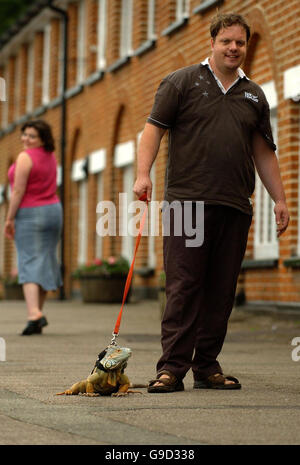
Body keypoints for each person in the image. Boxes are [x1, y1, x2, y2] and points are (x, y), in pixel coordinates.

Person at [133, 13, 289, 392]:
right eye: (227, 41)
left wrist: (280, 199)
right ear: (213, 42)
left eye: (240, 42)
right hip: (186, 203)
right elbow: (152, 130)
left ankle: (206, 366)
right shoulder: (181, 82)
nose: (233, 48)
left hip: (234, 205)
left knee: (221, 290)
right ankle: (171, 369)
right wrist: (142, 174)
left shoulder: (254, 94)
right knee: (184, 285)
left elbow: (264, 153)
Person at [4, 120, 63, 335]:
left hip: (30, 212)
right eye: (24, 134)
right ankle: (37, 314)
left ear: (42, 139)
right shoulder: (50, 157)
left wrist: (9, 219)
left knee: (28, 259)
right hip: (53, 210)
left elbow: (18, 191)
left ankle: (34, 314)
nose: (25, 139)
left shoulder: (24, 157)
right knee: (45, 258)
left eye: (31, 136)